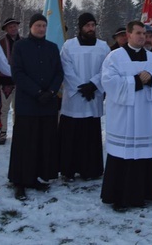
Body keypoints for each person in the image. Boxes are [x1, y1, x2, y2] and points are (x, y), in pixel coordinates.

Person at [100, 21, 152, 212]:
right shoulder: (114, 57)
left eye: (144, 34)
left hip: (145, 112)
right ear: (128, 35)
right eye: (138, 33)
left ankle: (140, 195)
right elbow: (109, 82)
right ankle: (119, 197)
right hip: (123, 115)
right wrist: (136, 80)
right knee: (123, 155)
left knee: (142, 156)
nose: (142, 37)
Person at [8, 14, 63, 201]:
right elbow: (17, 73)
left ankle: (35, 177)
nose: (41, 29)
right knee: (25, 143)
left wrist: (52, 91)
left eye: (44, 26)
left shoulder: (52, 48)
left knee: (42, 142)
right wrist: (38, 92)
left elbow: (58, 72)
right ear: (30, 27)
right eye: (38, 25)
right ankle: (19, 181)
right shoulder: (20, 46)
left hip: (47, 104)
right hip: (28, 103)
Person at [58, 13, 109, 181]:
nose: (91, 28)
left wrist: (93, 85)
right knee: (71, 135)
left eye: (93, 25)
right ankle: (69, 170)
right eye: (87, 25)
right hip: (74, 100)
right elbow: (66, 69)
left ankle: (91, 170)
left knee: (90, 136)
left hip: (93, 97)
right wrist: (82, 87)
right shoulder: (69, 46)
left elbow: (107, 69)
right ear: (80, 27)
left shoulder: (103, 47)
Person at [0, 17, 21, 145]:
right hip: (6, 81)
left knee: (19, 108)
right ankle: (3, 132)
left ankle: (18, 132)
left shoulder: (24, 42)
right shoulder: (0, 44)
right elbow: (2, 64)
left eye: (15, 26)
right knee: (4, 109)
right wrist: (17, 74)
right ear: (6, 29)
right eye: (10, 26)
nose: (13, 28)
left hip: (21, 83)